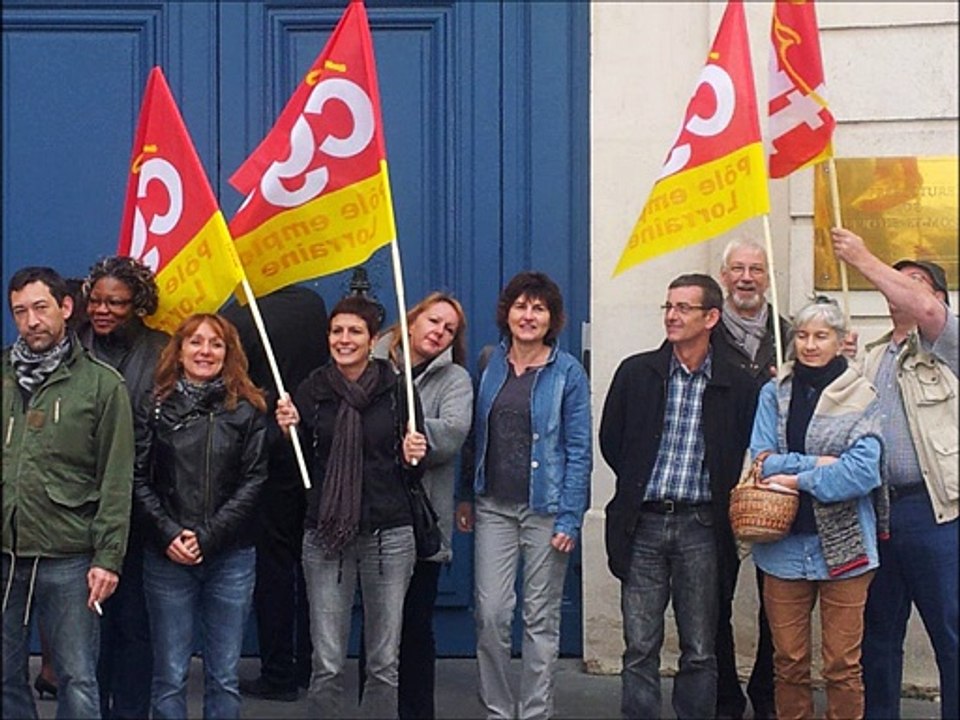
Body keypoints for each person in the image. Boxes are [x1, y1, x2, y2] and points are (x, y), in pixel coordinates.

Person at [600, 273, 758, 720]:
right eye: (668, 306)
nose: (672, 316)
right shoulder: (638, 373)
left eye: (683, 308)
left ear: (711, 317)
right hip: (643, 522)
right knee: (640, 645)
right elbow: (613, 440)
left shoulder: (737, 384)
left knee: (701, 648)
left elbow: (745, 448)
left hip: (702, 526)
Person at [275, 295, 428, 718]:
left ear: (372, 339)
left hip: (389, 533)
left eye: (355, 331)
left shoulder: (398, 390)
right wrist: (287, 431)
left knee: (383, 663)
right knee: (326, 662)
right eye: (337, 331)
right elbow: (296, 465)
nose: (345, 339)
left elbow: (412, 470)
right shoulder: (311, 390)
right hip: (326, 535)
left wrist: (415, 451)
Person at [831, 227, 958, 720]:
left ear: (938, 300)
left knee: (951, 633)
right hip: (876, 513)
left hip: (936, 513)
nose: (895, 289)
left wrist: (862, 255)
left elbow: (925, 312)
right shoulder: (869, 357)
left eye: (912, 282)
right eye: (892, 282)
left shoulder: (950, 343)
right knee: (878, 638)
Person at [455, 271, 592, 720]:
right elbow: (476, 434)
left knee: (540, 619)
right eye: (520, 306)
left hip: (546, 510)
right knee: (491, 615)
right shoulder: (489, 361)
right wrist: (464, 495)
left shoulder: (567, 371)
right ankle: (497, 708)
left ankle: (535, 712)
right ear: (507, 312)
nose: (528, 316)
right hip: (493, 505)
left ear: (551, 318)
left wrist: (571, 518)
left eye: (538, 308)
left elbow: (578, 449)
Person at [2, 266, 134, 719]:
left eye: (41, 308)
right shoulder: (1, 375)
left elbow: (116, 478)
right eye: (20, 312)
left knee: (78, 677)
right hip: (5, 552)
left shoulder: (102, 384)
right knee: (5, 675)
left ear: (65, 308)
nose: (31, 321)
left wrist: (107, 558)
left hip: (70, 555)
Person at [748, 296, 884, 720]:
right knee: (788, 663)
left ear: (840, 341)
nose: (810, 344)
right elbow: (761, 460)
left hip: (845, 549)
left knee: (842, 665)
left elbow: (862, 473)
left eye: (821, 336)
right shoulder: (775, 393)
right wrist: (821, 464)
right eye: (802, 335)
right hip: (783, 547)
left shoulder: (861, 394)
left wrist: (797, 478)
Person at [133, 313, 268, 719]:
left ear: (229, 353)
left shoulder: (248, 409)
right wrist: (169, 533)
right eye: (195, 342)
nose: (204, 351)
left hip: (231, 556)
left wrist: (207, 536)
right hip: (167, 556)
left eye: (215, 343)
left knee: (223, 675)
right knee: (170, 674)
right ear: (179, 350)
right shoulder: (154, 406)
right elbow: (137, 477)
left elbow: (254, 480)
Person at [368, 292, 474, 719]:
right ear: (411, 322)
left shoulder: (455, 381)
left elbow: (450, 434)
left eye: (449, 329)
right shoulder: (372, 365)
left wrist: (402, 430)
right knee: (376, 629)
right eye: (433, 321)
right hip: (370, 516)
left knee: (414, 627)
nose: (439, 332)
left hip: (420, 520)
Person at [223, 285, 329, 702]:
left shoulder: (238, 314)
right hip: (314, 439)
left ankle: (279, 672)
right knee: (314, 560)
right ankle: (309, 665)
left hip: (264, 444)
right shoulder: (312, 302)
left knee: (275, 563)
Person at [77, 255, 168, 719]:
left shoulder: (163, 350)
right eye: (95, 300)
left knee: (134, 621)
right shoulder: (72, 346)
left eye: (116, 302)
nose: (102, 309)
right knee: (87, 625)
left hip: (144, 507)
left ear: (140, 305)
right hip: (79, 506)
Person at [711, 239, 789, 720]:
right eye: (737, 269)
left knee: (775, 600)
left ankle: (766, 691)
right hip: (717, 480)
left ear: (767, 277)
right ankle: (723, 695)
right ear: (723, 277)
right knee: (714, 595)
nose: (746, 278)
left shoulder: (789, 335)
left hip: (774, 486)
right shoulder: (706, 330)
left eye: (755, 269)